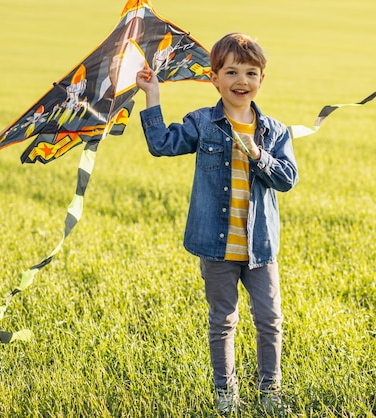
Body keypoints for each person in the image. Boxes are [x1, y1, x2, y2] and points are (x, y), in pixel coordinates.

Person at [136, 33, 298, 414]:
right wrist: (152, 95)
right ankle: (226, 394)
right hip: (217, 246)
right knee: (222, 322)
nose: (242, 80)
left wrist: (260, 156)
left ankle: (269, 392)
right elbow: (161, 143)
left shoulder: (274, 131)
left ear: (261, 79)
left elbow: (287, 178)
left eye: (251, 72)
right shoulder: (203, 124)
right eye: (232, 72)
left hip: (259, 248)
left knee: (270, 321)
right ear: (214, 78)